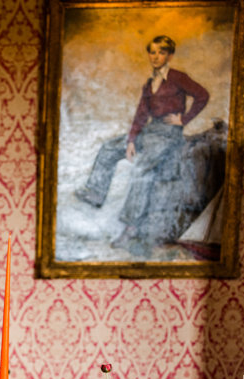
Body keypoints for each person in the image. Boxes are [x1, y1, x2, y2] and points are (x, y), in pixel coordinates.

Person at [75, 35, 209, 251]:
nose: (156, 57)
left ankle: (130, 227)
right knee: (109, 147)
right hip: (151, 130)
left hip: (168, 134)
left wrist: (184, 119)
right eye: (153, 52)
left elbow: (202, 95)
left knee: (141, 167)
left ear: (170, 55)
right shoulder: (149, 83)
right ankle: (95, 193)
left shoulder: (177, 77)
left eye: (162, 52)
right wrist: (131, 141)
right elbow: (140, 113)